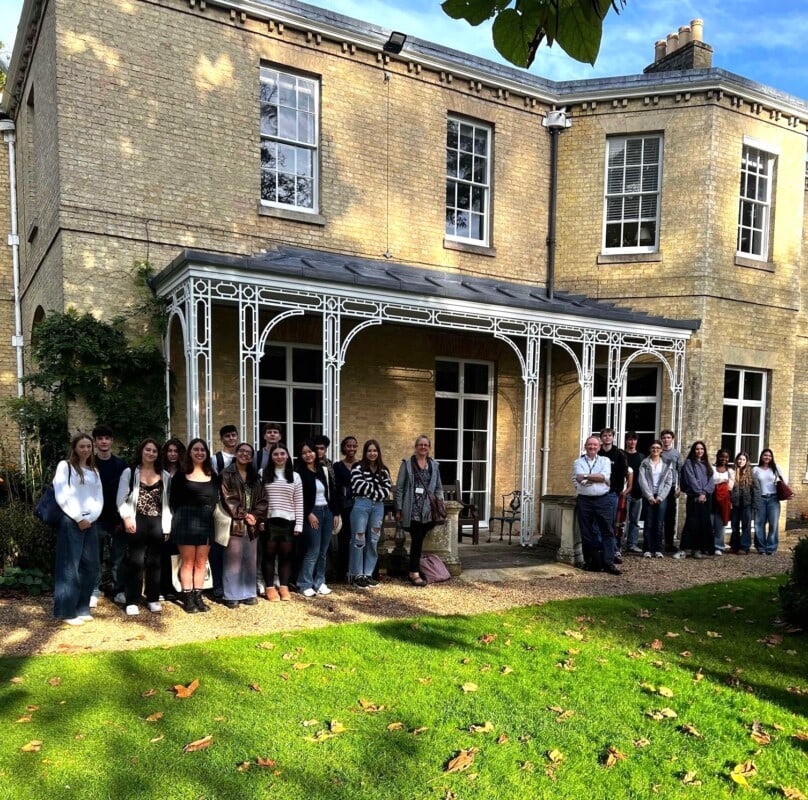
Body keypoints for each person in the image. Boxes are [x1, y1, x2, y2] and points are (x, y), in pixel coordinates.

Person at [53, 433, 104, 625]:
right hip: (71, 521)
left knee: (91, 566)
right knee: (69, 567)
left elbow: (99, 497)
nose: (86, 450)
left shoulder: (94, 470)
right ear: (75, 448)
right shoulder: (65, 466)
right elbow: (61, 493)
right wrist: (78, 517)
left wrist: (90, 518)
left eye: (89, 447)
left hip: (90, 522)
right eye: (82, 446)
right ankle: (67, 611)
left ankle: (82, 607)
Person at [117, 438, 172, 616]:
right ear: (141, 451)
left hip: (157, 520)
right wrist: (126, 518)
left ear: (158, 454)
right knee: (136, 561)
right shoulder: (130, 472)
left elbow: (168, 503)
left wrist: (167, 526)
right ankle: (132, 599)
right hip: (136, 519)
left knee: (155, 562)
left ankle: (153, 598)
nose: (150, 453)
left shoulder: (164, 475)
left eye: (154, 451)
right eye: (147, 450)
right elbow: (121, 498)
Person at [169, 438, 218, 613]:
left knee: (201, 562)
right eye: (196, 449)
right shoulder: (181, 475)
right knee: (188, 562)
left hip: (206, 519)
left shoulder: (213, 475)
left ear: (206, 453)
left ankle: (199, 597)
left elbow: (215, 500)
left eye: (202, 450)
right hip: (185, 519)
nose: (199, 453)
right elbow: (172, 500)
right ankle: (188, 599)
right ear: (190, 452)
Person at [219, 442, 267, 608]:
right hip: (235, 522)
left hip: (251, 523)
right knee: (233, 559)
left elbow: (263, 499)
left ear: (252, 457)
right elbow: (228, 499)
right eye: (242, 451)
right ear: (236, 453)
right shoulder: (227, 473)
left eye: (248, 452)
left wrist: (255, 516)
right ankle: (231, 595)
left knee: (249, 559)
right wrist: (244, 514)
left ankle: (248, 593)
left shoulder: (255, 477)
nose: (245, 454)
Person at [395, 435, 444, 587]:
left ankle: (415, 568)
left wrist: (440, 504)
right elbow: (400, 488)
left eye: (426, 445)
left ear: (429, 448)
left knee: (419, 541)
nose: (423, 447)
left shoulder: (434, 465)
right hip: (412, 510)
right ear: (416, 447)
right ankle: (414, 573)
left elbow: (438, 488)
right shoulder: (407, 464)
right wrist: (399, 508)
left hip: (428, 511)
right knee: (416, 540)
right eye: (420, 445)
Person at [296, 438, 339, 597]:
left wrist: (335, 512)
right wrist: (308, 513)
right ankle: (304, 583)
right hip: (312, 513)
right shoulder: (299, 473)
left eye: (310, 451)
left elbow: (331, 492)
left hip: (326, 511)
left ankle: (319, 581)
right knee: (313, 550)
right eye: (304, 453)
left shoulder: (323, 470)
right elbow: (298, 496)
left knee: (323, 550)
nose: (308, 455)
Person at [572, 436, 621, 575]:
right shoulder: (578, 462)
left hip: (603, 500)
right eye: (589, 445)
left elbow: (604, 477)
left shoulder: (605, 460)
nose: (592, 447)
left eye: (595, 445)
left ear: (599, 447)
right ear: (585, 446)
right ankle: (592, 562)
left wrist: (586, 477)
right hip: (585, 500)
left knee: (607, 531)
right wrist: (596, 477)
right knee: (587, 532)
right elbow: (578, 478)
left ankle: (608, 563)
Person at [261, 443, 303, 601]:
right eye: (276, 454)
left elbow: (299, 501)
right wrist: (261, 520)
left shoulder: (295, 476)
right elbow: (260, 500)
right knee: (269, 555)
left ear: (287, 456)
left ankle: (284, 587)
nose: (279, 457)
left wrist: (299, 523)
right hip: (269, 521)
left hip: (288, 521)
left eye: (282, 454)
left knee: (286, 556)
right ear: (271, 457)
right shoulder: (263, 474)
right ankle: (270, 587)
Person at [91, 424, 127, 607]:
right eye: (100, 438)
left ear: (111, 441)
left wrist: (124, 518)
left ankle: (119, 589)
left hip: (117, 519)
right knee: (93, 555)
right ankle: (93, 590)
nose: (104, 441)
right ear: (95, 442)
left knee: (118, 557)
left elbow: (127, 493)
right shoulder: (89, 464)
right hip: (95, 519)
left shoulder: (121, 465)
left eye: (107, 438)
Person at [350, 439, 392, 589]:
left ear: (378, 452)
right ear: (365, 452)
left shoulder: (384, 470)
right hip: (361, 505)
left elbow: (386, 490)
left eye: (375, 451)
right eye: (369, 451)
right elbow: (357, 485)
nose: (372, 453)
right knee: (359, 539)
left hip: (378, 507)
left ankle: (368, 574)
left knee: (373, 539)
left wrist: (372, 491)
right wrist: (376, 491)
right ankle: (357, 575)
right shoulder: (358, 467)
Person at [210, 424, 239, 598]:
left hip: (241, 509)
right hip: (221, 508)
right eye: (227, 436)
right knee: (219, 546)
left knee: (237, 548)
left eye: (233, 435)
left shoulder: (244, 456)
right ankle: (218, 584)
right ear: (222, 439)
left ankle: (234, 583)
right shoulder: (216, 459)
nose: (231, 439)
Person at [674, 441, 715, 559]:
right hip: (694, 498)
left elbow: (711, 481)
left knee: (702, 524)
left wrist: (705, 493)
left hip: (706, 498)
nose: (699, 451)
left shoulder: (707, 464)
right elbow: (691, 479)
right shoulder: (688, 463)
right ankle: (682, 549)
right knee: (691, 523)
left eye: (702, 449)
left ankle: (697, 549)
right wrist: (699, 493)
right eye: (697, 449)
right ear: (693, 450)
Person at [597, 428, 632, 563]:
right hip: (598, 493)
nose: (607, 438)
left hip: (612, 493)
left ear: (613, 438)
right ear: (601, 438)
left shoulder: (619, 453)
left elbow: (624, 472)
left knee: (612, 524)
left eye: (609, 435)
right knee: (599, 523)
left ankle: (613, 551)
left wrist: (616, 489)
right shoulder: (597, 453)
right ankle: (601, 550)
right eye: (604, 435)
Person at [636, 440, 674, 558]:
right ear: (650, 449)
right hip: (649, 496)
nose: (655, 450)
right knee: (649, 522)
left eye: (658, 448)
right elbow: (642, 481)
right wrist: (649, 496)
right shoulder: (645, 463)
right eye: (653, 447)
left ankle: (658, 549)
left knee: (659, 523)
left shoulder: (667, 463)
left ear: (661, 450)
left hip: (661, 496)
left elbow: (669, 482)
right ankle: (647, 549)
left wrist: (661, 497)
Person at [158, 438, 185, 600]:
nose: (173, 454)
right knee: (163, 553)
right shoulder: (159, 470)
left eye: (176, 451)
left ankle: (178, 586)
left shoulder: (185, 471)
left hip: (181, 518)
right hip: (162, 516)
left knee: (179, 553)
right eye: (170, 451)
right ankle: (164, 587)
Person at [332, 436, 358, 583]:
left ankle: (356, 572)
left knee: (358, 540)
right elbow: (335, 489)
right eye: (349, 446)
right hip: (343, 507)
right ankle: (341, 574)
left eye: (354, 446)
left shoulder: (361, 465)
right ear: (344, 448)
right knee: (343, 540)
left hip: (358, 507)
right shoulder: (337, 466)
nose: (352, 449)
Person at [753, 448, 784, 555]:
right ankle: (761, 548)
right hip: (760, 498)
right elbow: (753, 486)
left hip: (773, 498)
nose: (767, 457)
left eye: (769, 456)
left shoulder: (776, 468)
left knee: (773, 524)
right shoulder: (756, 470)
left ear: (772, 457)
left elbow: (784, 483)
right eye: (765, 455)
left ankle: (771, 548)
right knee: (759, 524)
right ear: (761, 456)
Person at [660, 429, 683, 552]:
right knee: (659, 514)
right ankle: (658, 542)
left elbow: (680, 470)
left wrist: (679, 486)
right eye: (664, 437)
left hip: (672, 486)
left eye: (668, 437)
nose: (666, 440)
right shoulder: (658, 451)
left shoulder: (676, 453)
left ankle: (669, 542)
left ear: (672, 439)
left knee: (670, 515)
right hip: (659, 487)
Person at [729, 452, 755, 555]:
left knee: (746, 525)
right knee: (734, 525)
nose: (741, 461)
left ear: (747, 461)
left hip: (746, 503)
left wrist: (755, 504)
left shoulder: (751, 473)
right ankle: (734, 545)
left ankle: (744, 547)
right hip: (735, 503)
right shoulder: (732, 471)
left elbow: (756, 489)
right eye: (739, 459)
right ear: (736, 460)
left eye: (743, 459)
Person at [623, 432, 644, 554]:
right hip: (624, 492)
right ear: (626, 441)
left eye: (634, 440)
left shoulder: (641, 457)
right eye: (630, 440)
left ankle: (632, 544)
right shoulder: (622, 455)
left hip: (638, 492)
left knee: (635, 521)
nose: (632, 442)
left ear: (636, 442)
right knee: (621, 521)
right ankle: (618, 544)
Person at [711, 449, 734, 555]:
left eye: (726, 457)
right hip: (711, 500)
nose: (724, 459)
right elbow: (709, 482)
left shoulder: (730, 471)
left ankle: (719, 547)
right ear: (717, 456)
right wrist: (721, 482)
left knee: (720, 525)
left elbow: (730, 486)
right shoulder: (712, 468)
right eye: (722, 456)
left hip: (724, 501)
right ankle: (708, 546)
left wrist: (718, 483)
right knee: (709, 523)